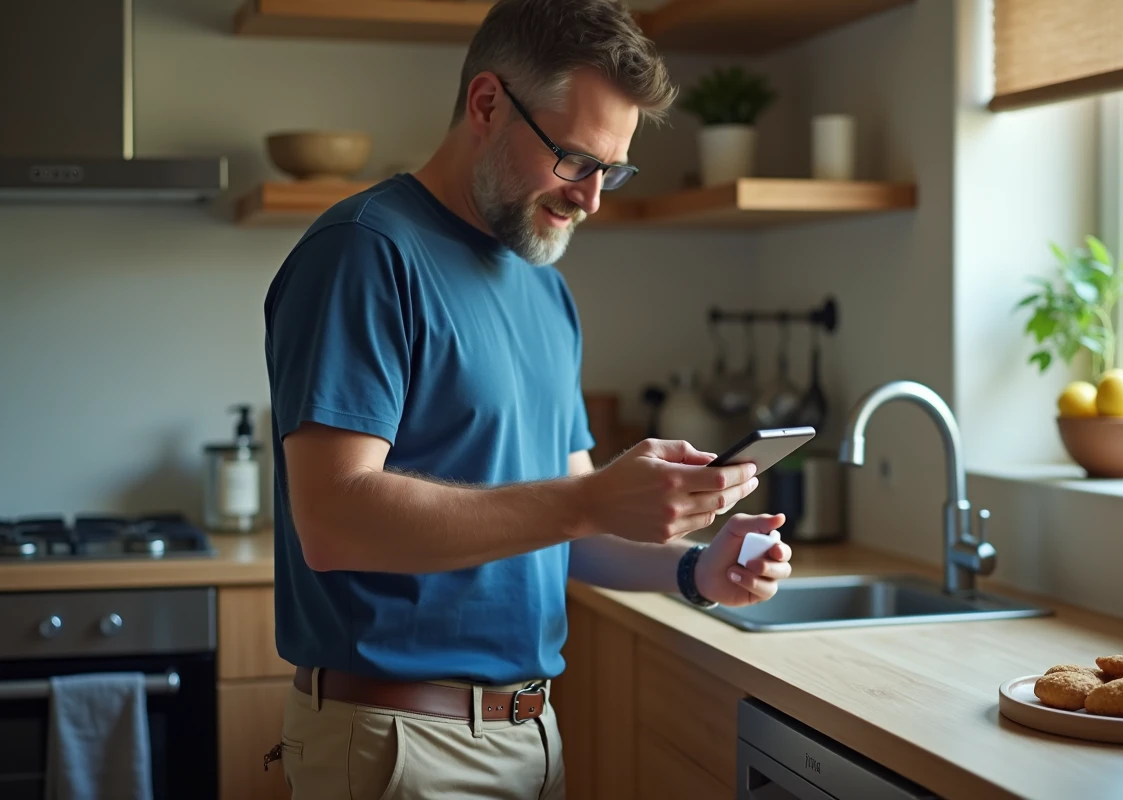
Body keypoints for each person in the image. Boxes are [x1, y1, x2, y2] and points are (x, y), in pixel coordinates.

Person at [261, 0, 793, 797]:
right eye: (576, 159)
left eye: (612, 170)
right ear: (486, 105)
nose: (593, 200)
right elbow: (333, 521)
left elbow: (564, 531)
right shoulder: (365, 252)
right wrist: (588, 500)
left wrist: (694, 569)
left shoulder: (545, 290)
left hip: (529, 738)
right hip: (403, 746)